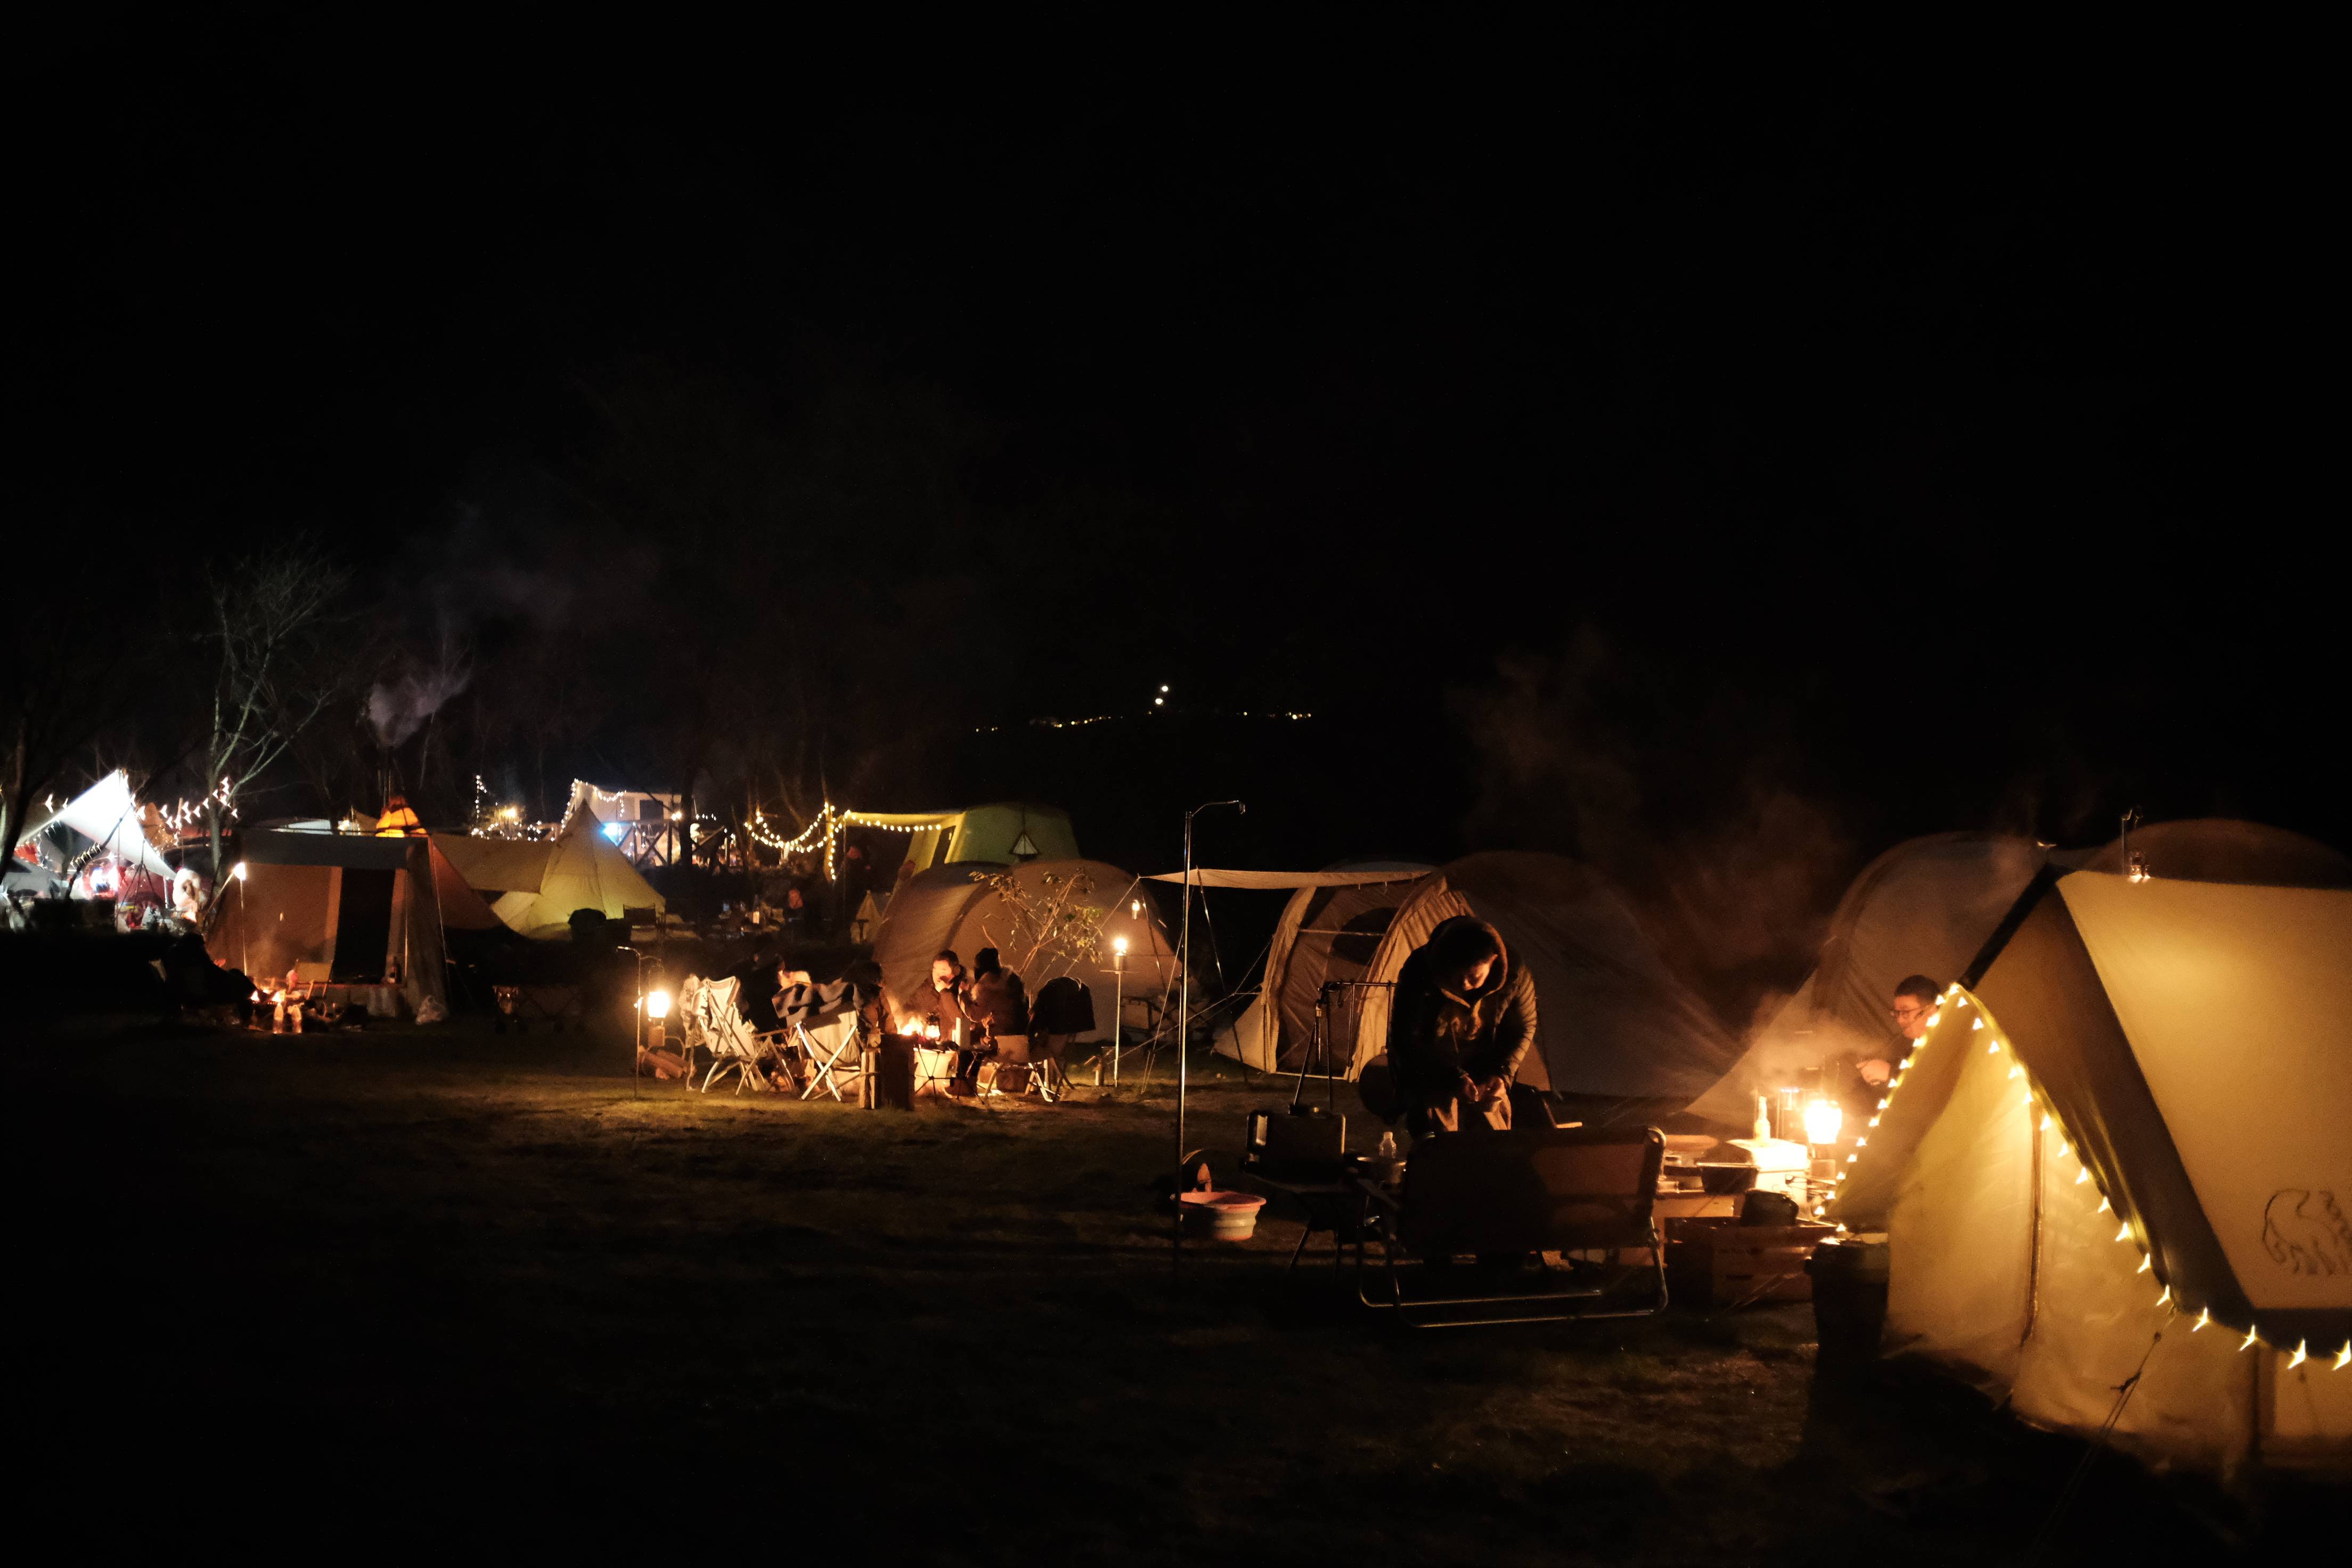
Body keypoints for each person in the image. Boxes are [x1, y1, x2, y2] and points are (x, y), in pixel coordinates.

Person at [1387, 916, 1538, 1139]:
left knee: (1494, 1143)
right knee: (1439, 1143)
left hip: (1486, 1067)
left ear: (1493, 961)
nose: (1465, 985)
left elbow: (1524, 1028)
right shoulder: (1421, 969)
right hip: (1433, 1069)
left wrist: (1503, 1074)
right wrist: (1451, 1078)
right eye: (1456, 976)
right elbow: (1405, 1037)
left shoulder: (1515, 974)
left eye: (1474, 977)